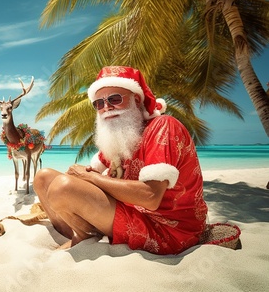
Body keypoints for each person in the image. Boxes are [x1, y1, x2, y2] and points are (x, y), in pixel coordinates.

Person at [34, 66, 208, 255]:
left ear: (137, 100)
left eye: (114, 99)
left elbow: (150, 197)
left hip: (168, 230)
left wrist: (90, 179)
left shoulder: (163, 126)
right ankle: (79, 232)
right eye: (98, 104)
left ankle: (83, 236)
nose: (106, 107)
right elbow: (91, 172)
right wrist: (84, 178)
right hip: (131, 212)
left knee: (62, 187)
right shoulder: (122, 136)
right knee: (44, 178)